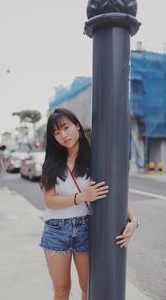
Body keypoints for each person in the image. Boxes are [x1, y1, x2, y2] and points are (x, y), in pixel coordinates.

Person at [39, 108, 138, 300]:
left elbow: (113, 192)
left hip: (85, 228)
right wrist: (83, 196)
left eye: (66, 127)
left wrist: (133, 220)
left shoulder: (96, 158)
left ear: (77, 125)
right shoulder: (51, 163)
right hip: (56, 230)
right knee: (61, 291)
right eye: (57, 133)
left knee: (88, 288)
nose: (63, 135)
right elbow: (50, 202)